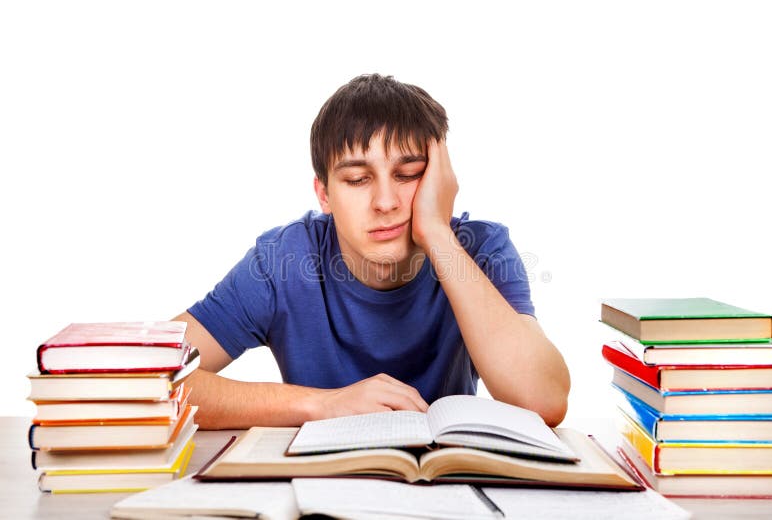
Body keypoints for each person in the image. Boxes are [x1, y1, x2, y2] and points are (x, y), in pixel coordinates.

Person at [174, 74, 570, 429]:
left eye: (409, 175)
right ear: (324, 194)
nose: (385, 201)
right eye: (359, 179)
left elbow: (545, 400)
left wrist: (435, 229)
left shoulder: (480, 250)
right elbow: (152, 379)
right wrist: (319, 404)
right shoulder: (282, 260)